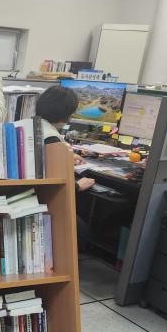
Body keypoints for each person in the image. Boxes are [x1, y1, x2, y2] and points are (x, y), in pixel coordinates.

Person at [34, 86, 94, 249]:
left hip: (29, 195)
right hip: (43, 200)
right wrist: (78, 185)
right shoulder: (51, 138)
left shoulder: (34, 125)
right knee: (82, 232)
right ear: (67, 114)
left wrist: (67, 156)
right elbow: (53, 184)